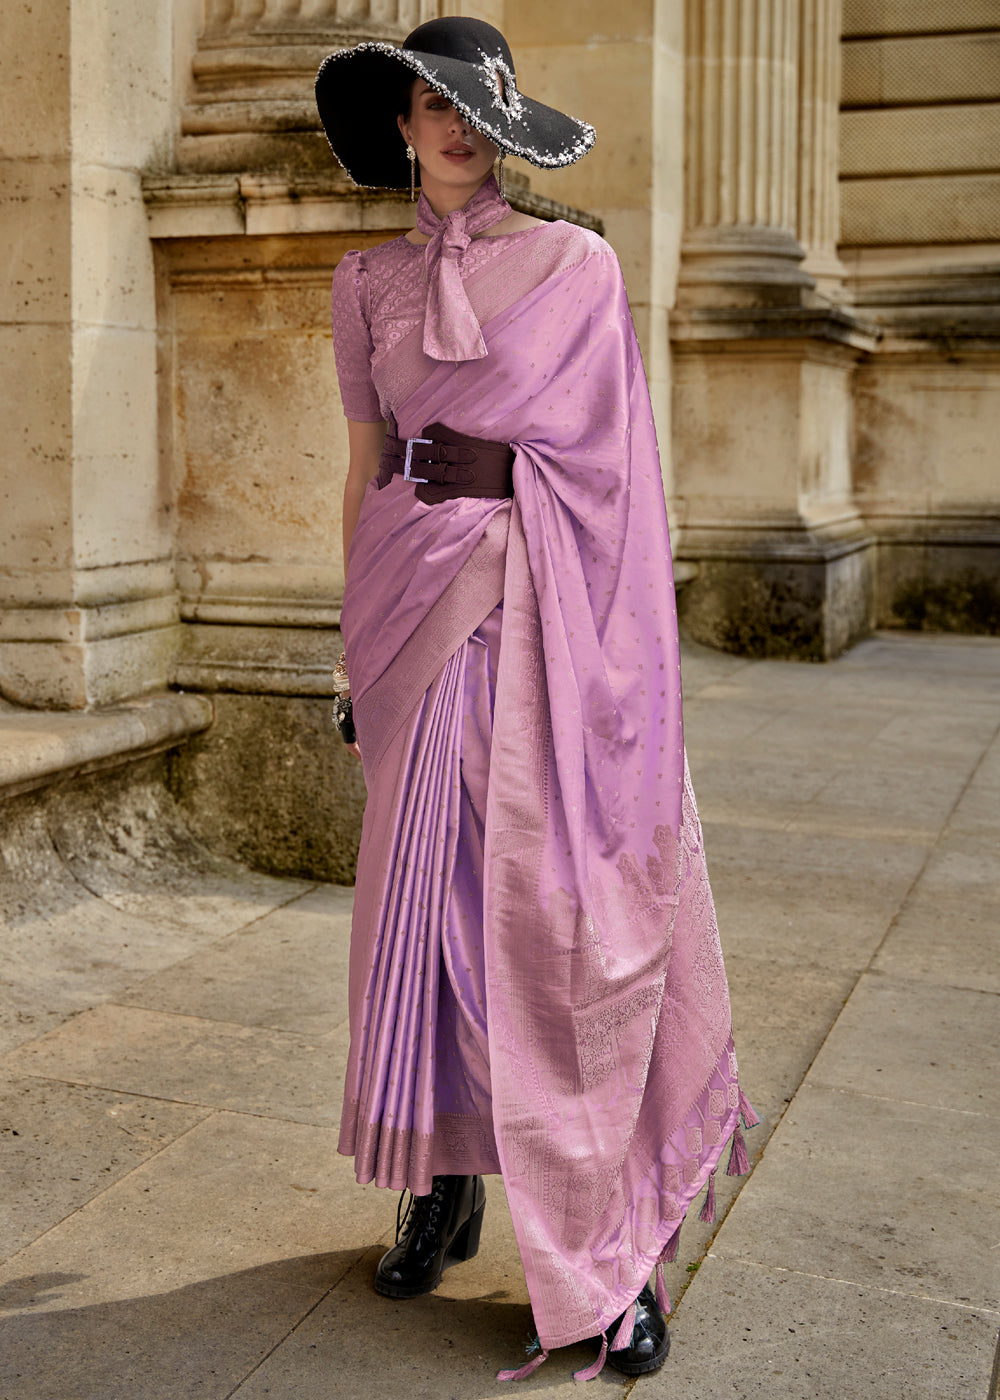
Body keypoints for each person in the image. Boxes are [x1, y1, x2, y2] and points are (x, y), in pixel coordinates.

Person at [315, 17, 756, 1383]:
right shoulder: (364, 282)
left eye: (477, 107)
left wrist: (624, 675)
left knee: (560, 927)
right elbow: (369, 469)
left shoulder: (577, 266)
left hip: (545, 622)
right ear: (399, 124)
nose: (455, 127)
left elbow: (621, 483)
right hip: (408, 617)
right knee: (429, 914)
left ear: (505, 124)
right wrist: (352, 650)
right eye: (430, 106)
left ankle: (611, 1248)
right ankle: (439, 1189)